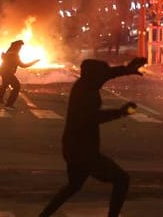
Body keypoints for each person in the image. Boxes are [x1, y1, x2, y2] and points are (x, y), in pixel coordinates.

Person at [39, 57, 147, 217]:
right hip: (82, 150)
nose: (104, 77)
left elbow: (109, 73)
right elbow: (93, 117)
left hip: (74, 147)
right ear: (93, 76)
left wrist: (127, 69)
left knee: (74, 186)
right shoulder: (84, 93)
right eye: (101, 74)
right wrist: (121, 112)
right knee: (122, 179)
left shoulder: (87, 83)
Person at [0, 40, 39, 110]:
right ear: (16, 47)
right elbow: (23, 65)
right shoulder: (14, 55)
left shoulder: (10, 52)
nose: (20, 48)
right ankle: (9, 104)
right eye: (20, 47)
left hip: (3, 70)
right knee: (16, 86)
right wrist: (34, 62)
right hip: (7, 72)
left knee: (5, 84)